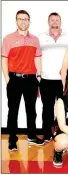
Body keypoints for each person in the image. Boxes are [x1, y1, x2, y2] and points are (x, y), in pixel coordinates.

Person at [1, 10, 44, 151]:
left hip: (31, 80)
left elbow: (37, 58)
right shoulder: (8, 39)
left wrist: (39, 77)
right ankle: (12, 140)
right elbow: (4, 59)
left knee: (31, 111)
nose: (23, 21)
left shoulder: (35, 40)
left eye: (25, 19)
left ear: (29, 21)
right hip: (15, 80)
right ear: (16, 21)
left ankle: (31, 136)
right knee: (13, 111)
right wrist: (8, 79)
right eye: (20, 19)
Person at [38, 12, 68, 142]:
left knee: (64, 109)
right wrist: (38, 77)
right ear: (48, 22)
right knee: (47, 109)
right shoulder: (40, 38)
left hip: (63, 81)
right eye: (52, 20)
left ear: (61, 22)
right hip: (46, 79)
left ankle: (61, 134)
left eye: (57, 20)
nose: (54, 22)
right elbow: (36, 58)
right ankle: (47, 134)